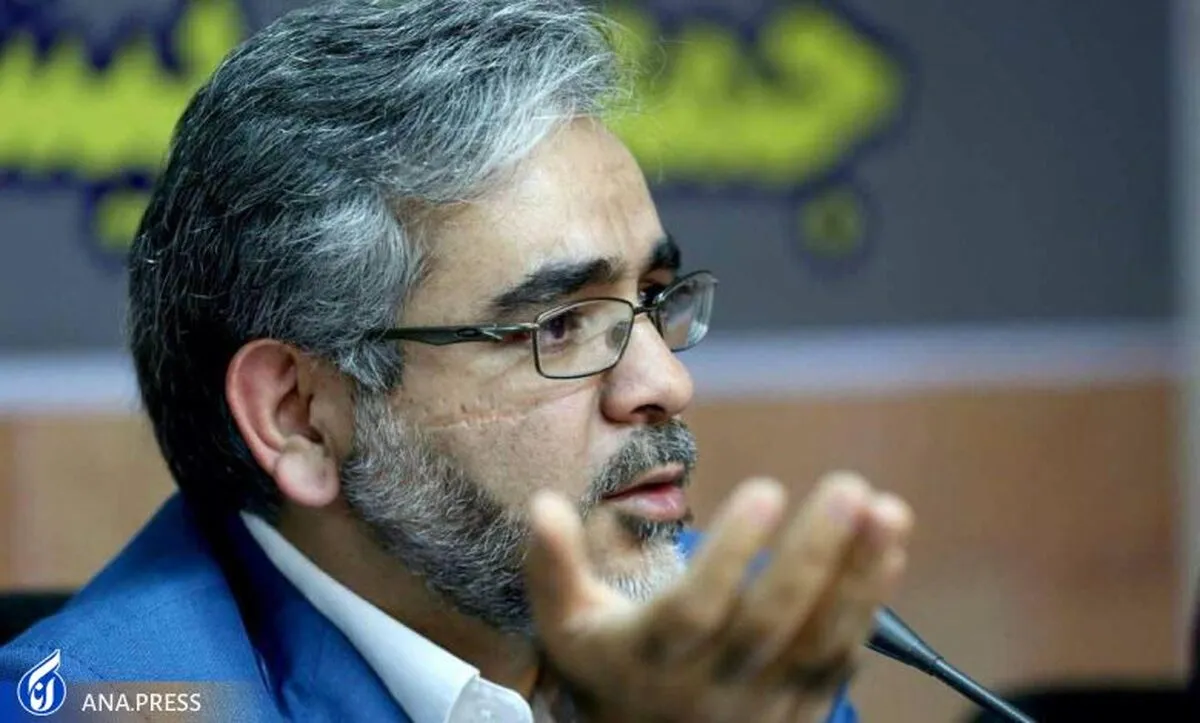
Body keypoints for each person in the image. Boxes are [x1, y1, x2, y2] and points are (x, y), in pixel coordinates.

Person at [0, 0, 912, 721]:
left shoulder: (726, 626)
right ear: (301, 416)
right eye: (561, 324)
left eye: (654, 298)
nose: (667, 383)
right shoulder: (106, 700)